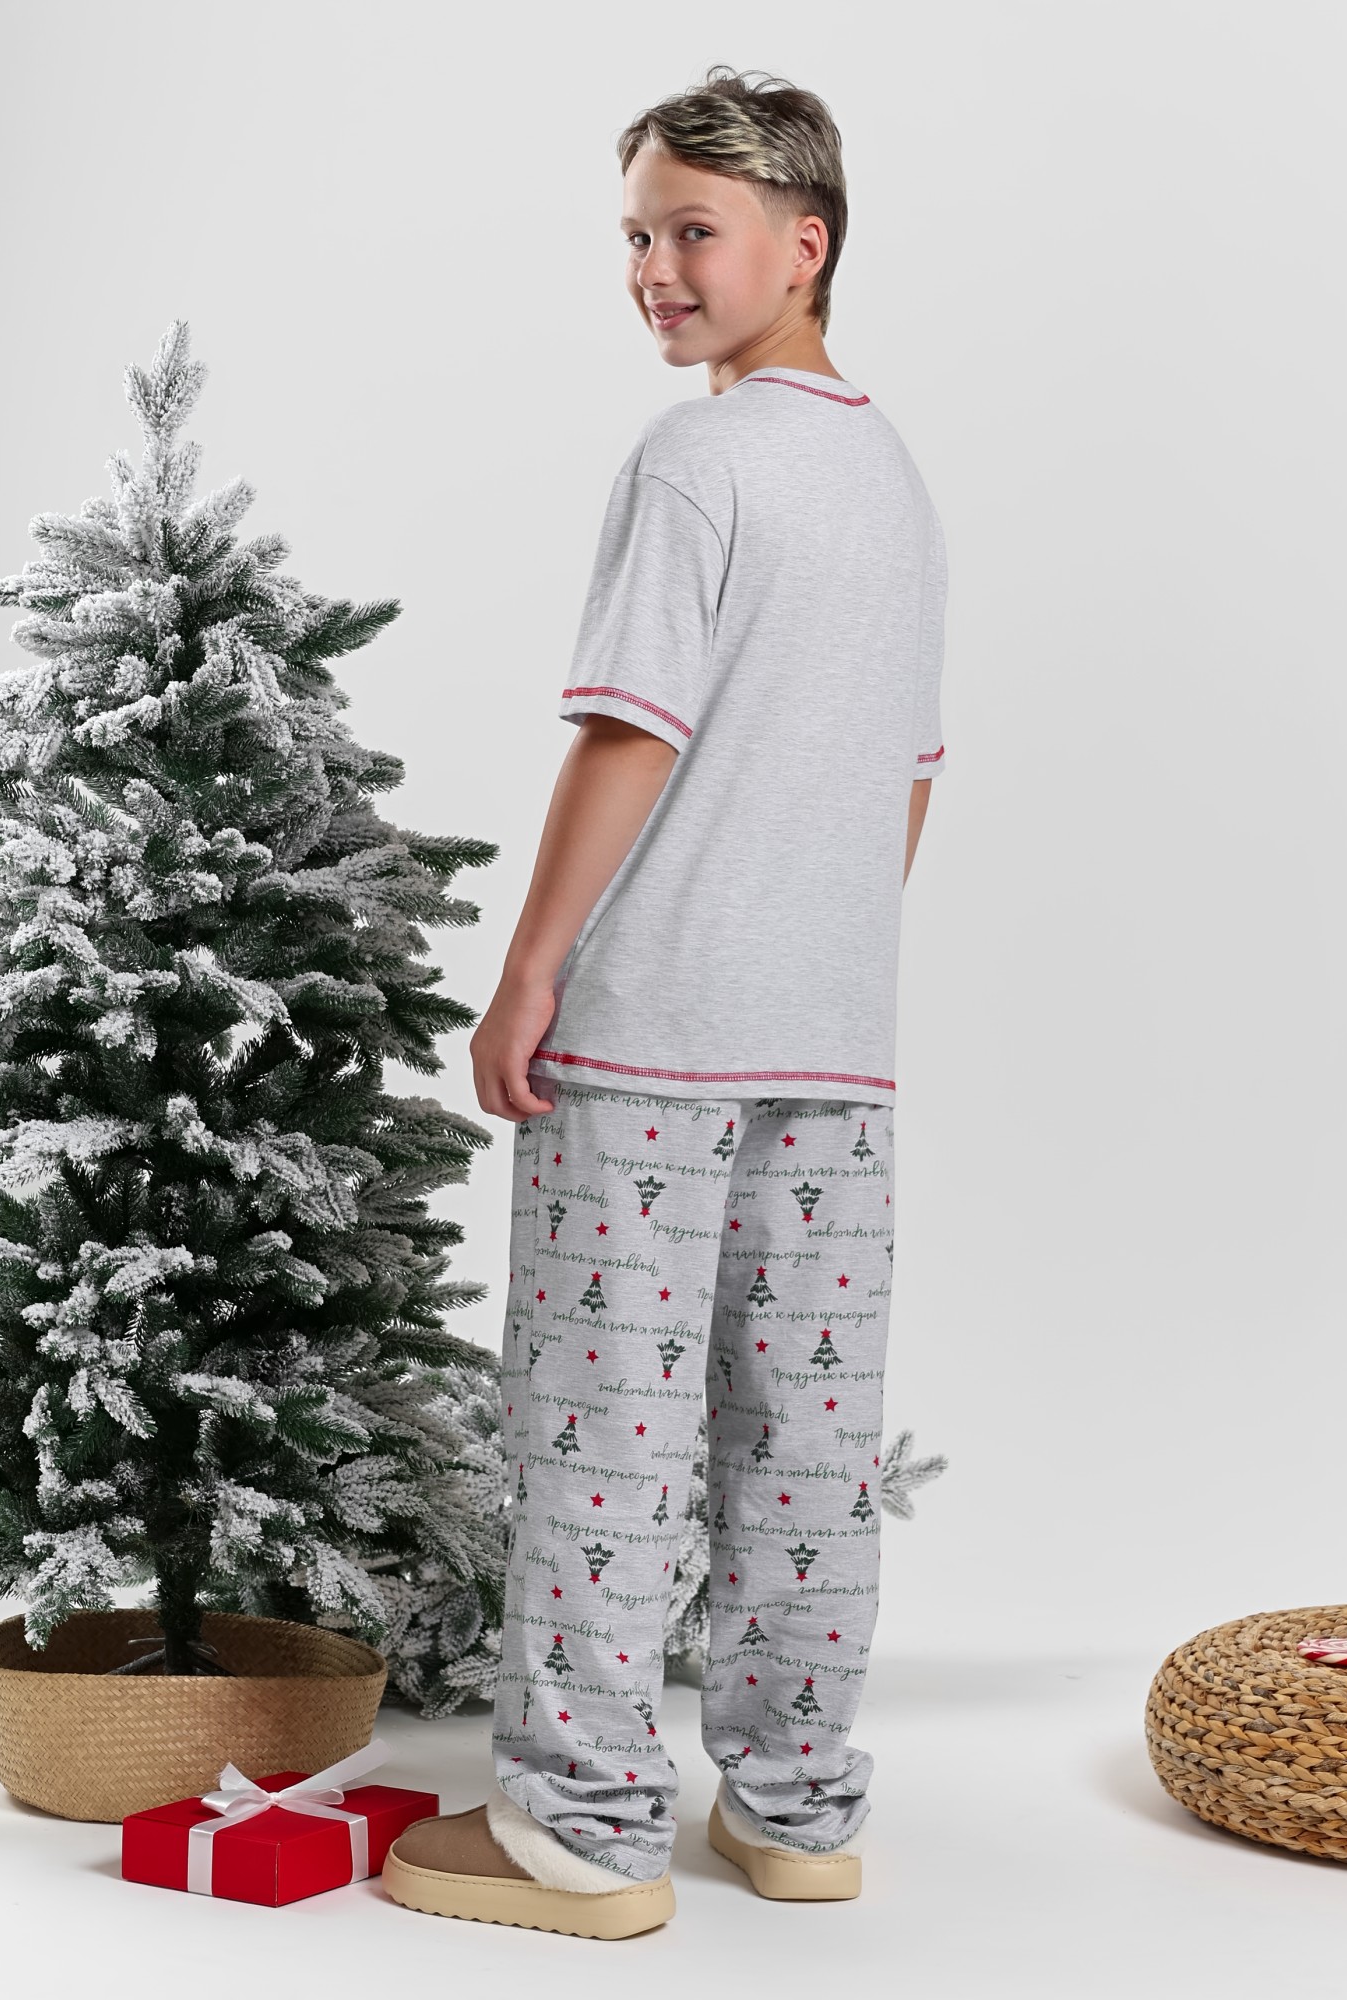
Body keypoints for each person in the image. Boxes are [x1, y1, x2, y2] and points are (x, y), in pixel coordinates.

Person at [382, 62, 947, 1941]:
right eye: (635, 234)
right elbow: (912, 779)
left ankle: (585, 1833)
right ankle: (796, 1810)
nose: (654, 271)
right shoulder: (890, 475)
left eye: (693, 231)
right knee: (805, 1441)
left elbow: (631, 732)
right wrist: (812, 950)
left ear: (808, 242)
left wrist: (531, 970)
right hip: (835, 1044)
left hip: (650, 1038)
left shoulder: (699, 461)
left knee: (601, 1431)